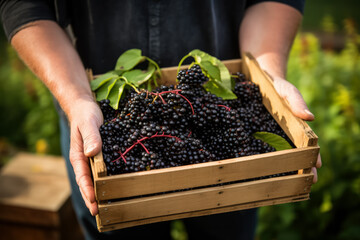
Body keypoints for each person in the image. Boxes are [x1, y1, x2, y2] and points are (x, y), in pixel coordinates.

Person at [0, 1, 321, 239]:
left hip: (224, 98)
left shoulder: (213, 115)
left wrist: (266, 76)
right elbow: (26, 6)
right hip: (92, 106)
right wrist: (78, 99)